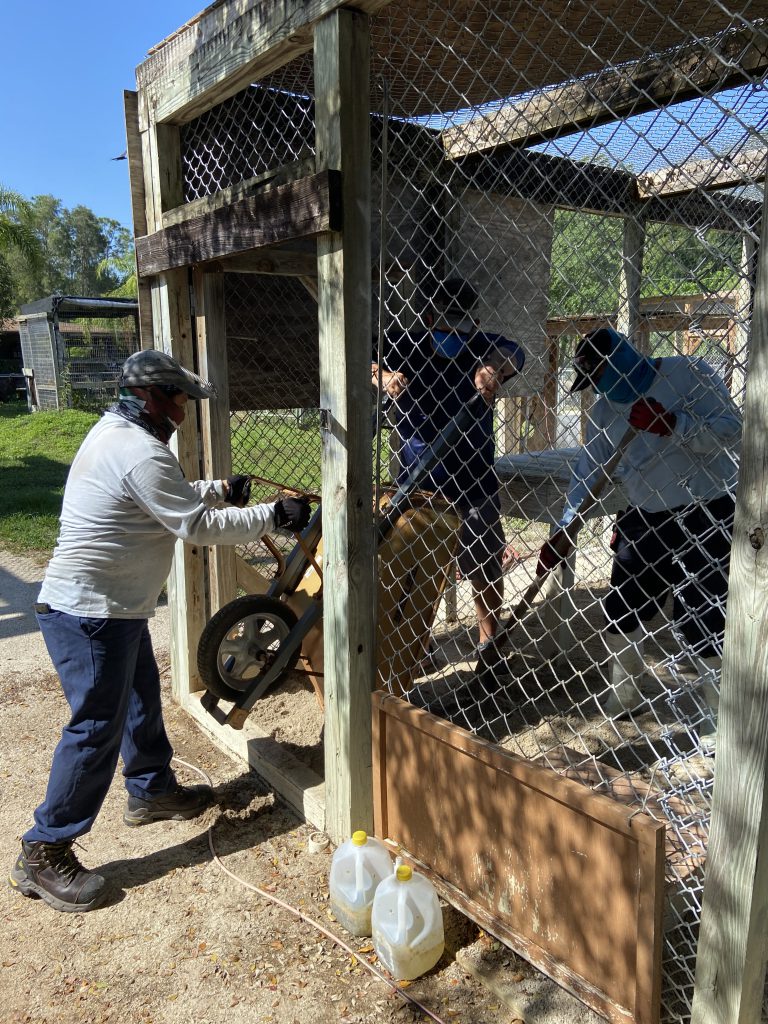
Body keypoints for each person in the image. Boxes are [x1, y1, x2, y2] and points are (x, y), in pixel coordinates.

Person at [9, 349, 311, 913]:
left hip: (111, 607)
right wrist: (275, 515)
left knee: (142, 690)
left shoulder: (118, 437)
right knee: (96, 725)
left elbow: (159, 502)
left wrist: (220, 488)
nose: (183, 411)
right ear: (150, 396)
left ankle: (151, 791)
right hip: (90, 612)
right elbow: (193, 526)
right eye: (178, 400)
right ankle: (43, 849)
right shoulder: (139, 452)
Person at [538, 326, 741, 739]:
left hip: (707, 508)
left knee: (701, 615)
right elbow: (587, 472)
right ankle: (625, 692)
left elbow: (732, 430)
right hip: (645, 514)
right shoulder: (603, 413)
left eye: (599, 377)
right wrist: (564, 529)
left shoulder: (691, 373)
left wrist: (675, 423)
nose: (595, 388)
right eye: (590, 382)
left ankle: (717, 713)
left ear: (621, 363)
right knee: (622, 608)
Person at [372, 276, 525, 682]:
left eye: (461, 327)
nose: (452, 335)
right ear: (427, 316)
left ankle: (488, 648)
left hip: (474, 480)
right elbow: (365, 359)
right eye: (444, 326)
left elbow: (516, 353)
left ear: (471, 322)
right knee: (414, 568)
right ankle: (415, 650)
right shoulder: (403, 341)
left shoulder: (478, 345)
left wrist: (494, 368)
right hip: (417, 482)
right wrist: (384, 376)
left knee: (484, 565)